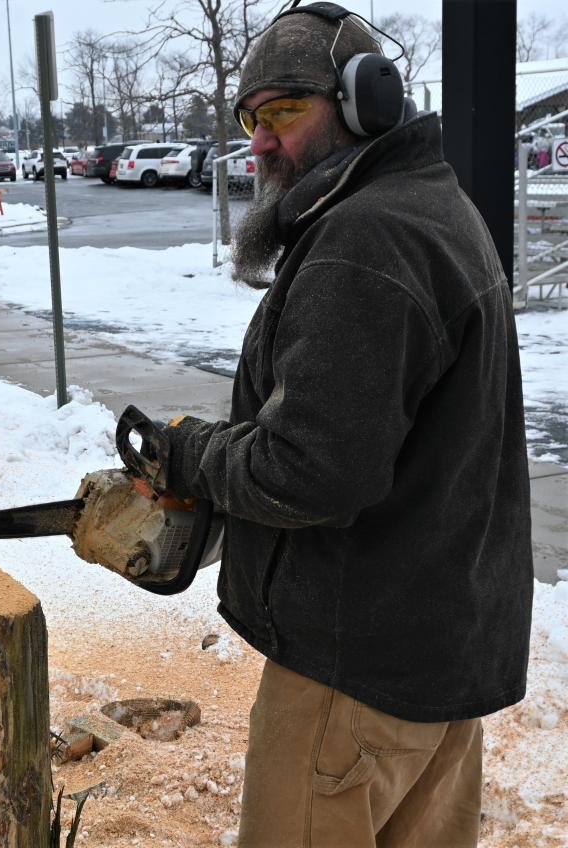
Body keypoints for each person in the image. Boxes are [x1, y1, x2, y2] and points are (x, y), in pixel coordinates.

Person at [157, 4, 533, 846]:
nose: (259, 140)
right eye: (251, 118)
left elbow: (310, 472)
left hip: (351, 673)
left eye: (285, 109)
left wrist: (189, 454)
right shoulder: (432, 209)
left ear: (366, 102)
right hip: (433, 661)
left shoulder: (364, 241)